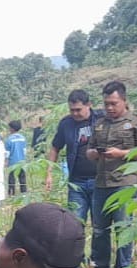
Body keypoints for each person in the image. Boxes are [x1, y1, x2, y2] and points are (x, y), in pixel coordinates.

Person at [87, 81, 137, 268]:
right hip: (101, 183)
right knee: (99, 229)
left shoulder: (136, 122)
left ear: (124, 101)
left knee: (123, 228)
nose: (109, 108)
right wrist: (93, 154)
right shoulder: (99, 124)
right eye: (106, 103)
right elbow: (89, 150)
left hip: (125, 182)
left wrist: (121, 154)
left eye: (113, 103)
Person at [47, 90, 103, 229]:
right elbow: (55, 147)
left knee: (99, 226)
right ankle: (78, 251)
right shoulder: (66, 124)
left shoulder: (103, 118)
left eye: (78, 110)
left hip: (100, 180)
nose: (75, 114)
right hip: (76, 183)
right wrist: (49, 173)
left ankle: (99, 252)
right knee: (74, 225)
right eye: (72, 110)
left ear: (88, 105)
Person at [5, 120, 27, 196]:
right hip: (22, 162)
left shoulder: (9, 139)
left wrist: (6, 161)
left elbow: (7, 153)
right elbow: (24, 151)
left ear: (12, 129)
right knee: (22, 179)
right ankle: (24, 193)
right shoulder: (23, 138)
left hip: (13, 162)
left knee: (11, 179)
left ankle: (11, 193)